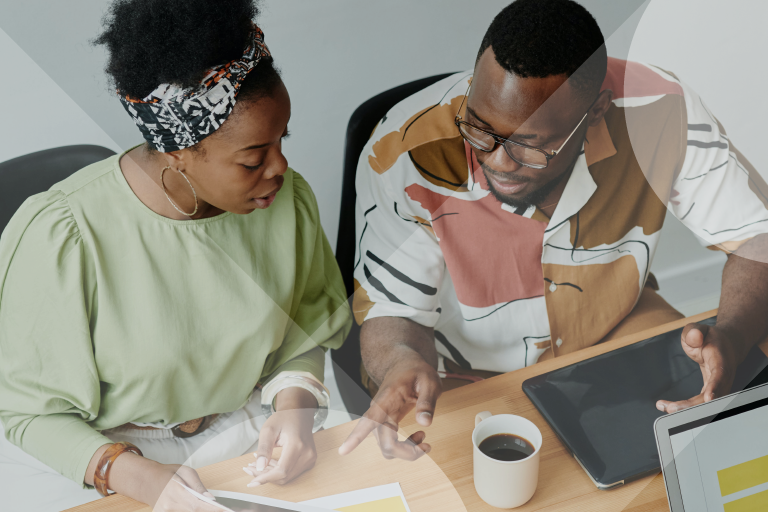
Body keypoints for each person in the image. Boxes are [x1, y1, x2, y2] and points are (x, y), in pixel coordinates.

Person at [339, 0, 768, 461]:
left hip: (612, 329)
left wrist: (734, 334)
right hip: (458, 369)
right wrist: (402, 359)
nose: (496, 162)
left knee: (711, 459)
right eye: (480, 128)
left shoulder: (660, 109)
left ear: (597, 110)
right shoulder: (404, 150)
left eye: (529, 146)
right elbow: (393, 311)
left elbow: (756, 236)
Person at [0, 1, 350, 510]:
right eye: (253, 158)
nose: (280, 166)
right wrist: (132, 474)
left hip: (245, 423)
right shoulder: (64, 235)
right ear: (176, 153)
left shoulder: (286, 201)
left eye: (283, 138)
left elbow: (308, 326)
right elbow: (30, 413)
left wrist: (295, 405)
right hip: (101, 453)